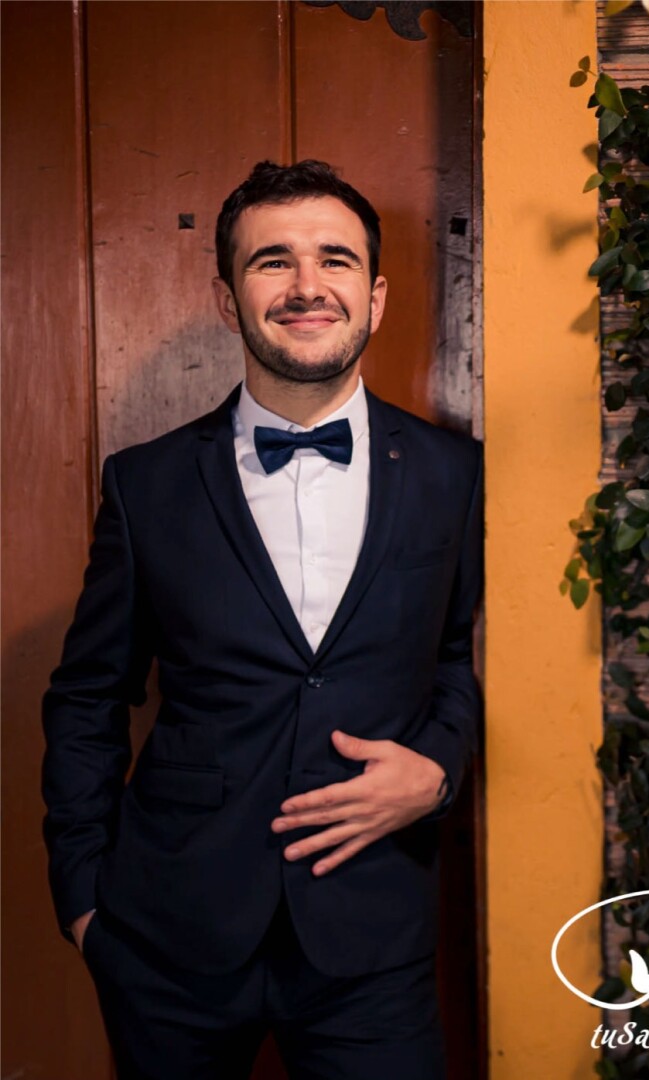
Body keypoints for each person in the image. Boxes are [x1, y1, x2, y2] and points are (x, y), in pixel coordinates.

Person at [40, 159, 483, 1079]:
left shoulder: (455, 474)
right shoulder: (146, 484)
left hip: (374, 938)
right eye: (272, 261)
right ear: (226, 298)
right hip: (168, 940)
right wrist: (83, 900)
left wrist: (438, 769)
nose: (307, 286)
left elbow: (460, 655)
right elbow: (88, 695)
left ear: (376, 298)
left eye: (335, 260)